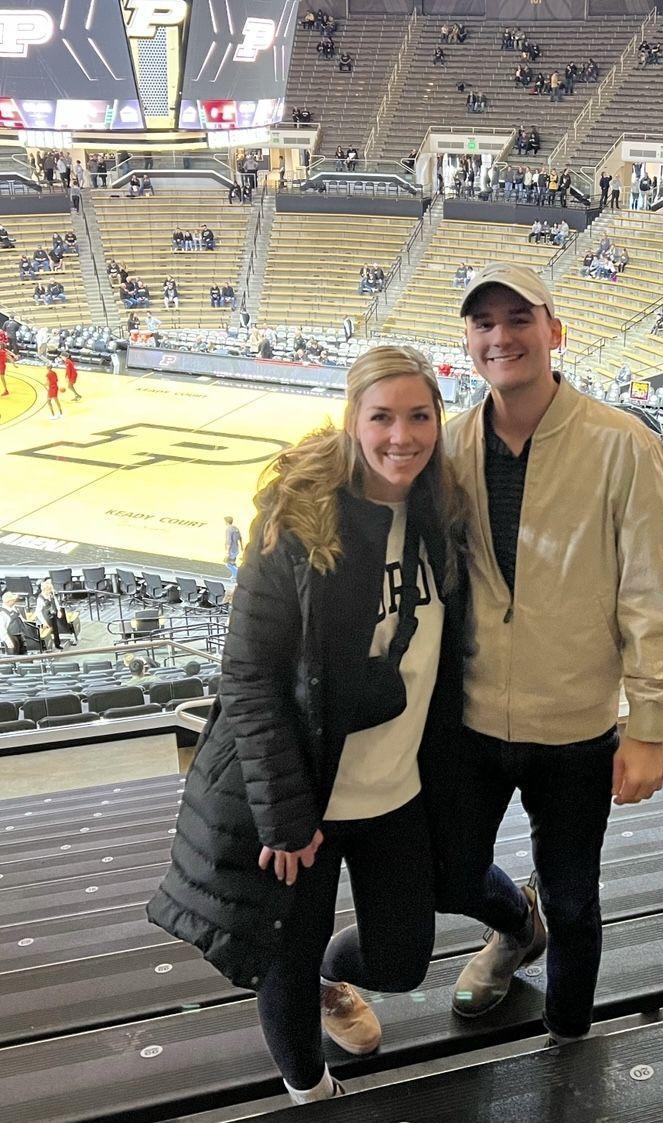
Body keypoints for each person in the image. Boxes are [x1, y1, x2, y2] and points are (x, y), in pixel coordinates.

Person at [147, 345, 468, 1107]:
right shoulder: (299, 516)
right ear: (353, 417)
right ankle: (307, 1089)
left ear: (437, 421)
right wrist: (286, 815)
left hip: (397, 790)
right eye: (382, 416)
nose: (402, 435)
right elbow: (249, 676)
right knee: (282, 966)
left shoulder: (441, 508)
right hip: (307, 804)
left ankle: (337, 977)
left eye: (419, 416)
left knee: (401, 959)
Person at [438, 264, 663, 1047]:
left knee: (579, 899)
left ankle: (567, 1044)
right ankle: (517, 926)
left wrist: (648, 723)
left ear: (555, 331)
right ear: (470, 343)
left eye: (519, 318)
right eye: (485, 323)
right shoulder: (448, 445)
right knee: (448, 871)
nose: (501, 335)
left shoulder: (623, 444)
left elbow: (651, 590)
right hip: (473, 720)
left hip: (578, 729)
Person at [35, 578, 66, 651]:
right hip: (45, 616)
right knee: (47, 631)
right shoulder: (40, 598)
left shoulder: (51, 594)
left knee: (56, 630)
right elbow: (38, 612)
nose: (50, 592)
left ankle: (57, 644)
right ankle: (47, 646)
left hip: (53, 614)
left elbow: (56, 602)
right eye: (48, 591)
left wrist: (59, 610)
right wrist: (44, 622)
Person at [224, 515, 243, 579]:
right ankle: (234, 575)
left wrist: (227, 551)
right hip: (236, 548)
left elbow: (229, 541)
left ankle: (237, 574)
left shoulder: (228, 530)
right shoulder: (236, 528)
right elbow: (240, 537)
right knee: (233, 562)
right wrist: (241, 546)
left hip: (231, 549)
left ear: (226, 522)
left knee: (228, 563)